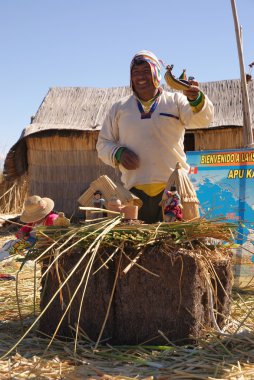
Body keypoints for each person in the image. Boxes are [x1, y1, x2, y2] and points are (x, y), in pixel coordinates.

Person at [96, 50, 214, 223]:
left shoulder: (176, 101)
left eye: (146, 71)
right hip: (134, 193)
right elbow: (103, 144)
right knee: (138, 247)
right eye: (135, 73)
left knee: (174, 247)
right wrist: (118, 153)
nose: (140, 77)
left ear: (156, 73)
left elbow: (201, 121)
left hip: (173, 191)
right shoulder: (119, 108)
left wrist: (196, 100)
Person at [0, 195, 58, 261]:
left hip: (39, 247)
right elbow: (24, 230)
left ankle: (6, 258)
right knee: (10, 246)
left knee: (16, 256)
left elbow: (52, 238)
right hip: (27, 243)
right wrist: (22, 233)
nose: (33, 219)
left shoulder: (52, 219)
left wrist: (31, 239)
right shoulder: (33, 222)